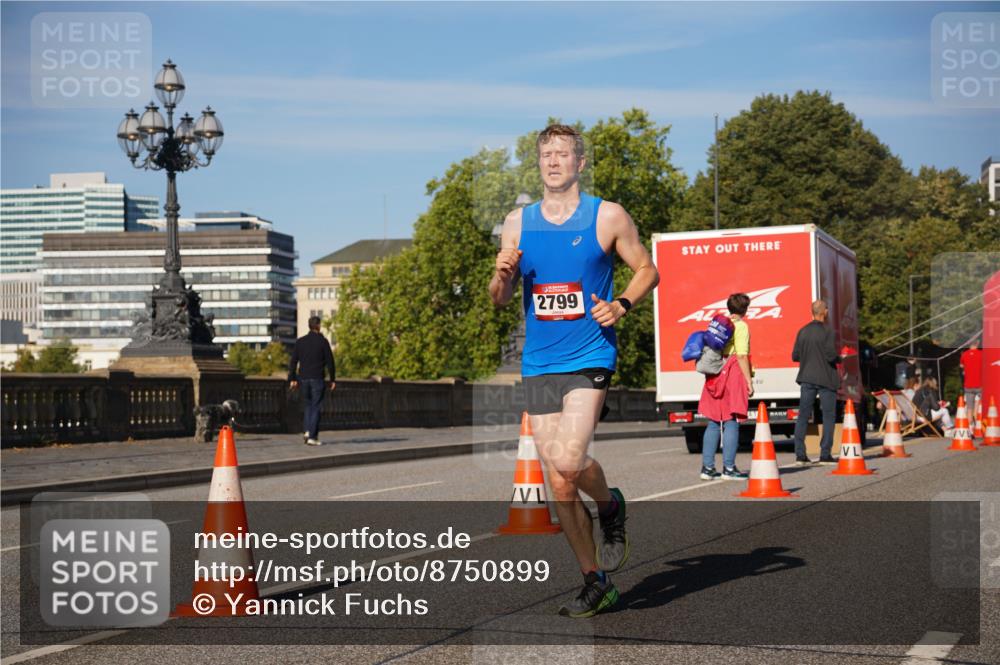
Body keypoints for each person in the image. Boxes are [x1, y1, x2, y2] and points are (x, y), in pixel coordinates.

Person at [488, 124, 659, 618]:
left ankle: (609, 504)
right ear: (538, 163)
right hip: (539, 363)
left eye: (563, 154)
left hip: (589, 355)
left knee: (567, 460)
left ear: (580, 163)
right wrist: (501, 278)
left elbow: (647, 268)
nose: (554, 161)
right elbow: (499, 301)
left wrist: (623, 304)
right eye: (546, 155)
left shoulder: (607, 216)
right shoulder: (517, 223)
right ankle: (594, 579)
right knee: (558, 483)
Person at [697, 294, 753, 480]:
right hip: (732, 371)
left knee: (714, 421)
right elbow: (742, 355)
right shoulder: (741, 326)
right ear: (745, 310)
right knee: (731, 421)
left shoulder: (720, 324)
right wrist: (749, 382)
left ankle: (707, 468)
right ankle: (729, 468)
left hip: (714, 371)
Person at [791, 300, 843, 466]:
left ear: (812, 312)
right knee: (828, 416)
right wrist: (840, 358)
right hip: (826, 379)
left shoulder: (802, 331)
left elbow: (795, 356)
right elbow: (830, 355)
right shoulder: (828, 332)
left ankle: (800, 454)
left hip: (806, 377)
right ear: (824, 312)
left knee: (803, 416)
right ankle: (825, 454)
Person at [288, 316, 336, 446]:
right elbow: (330, 362)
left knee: (308, 405)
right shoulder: (323, 342)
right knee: (316, 407)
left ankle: (307, 431)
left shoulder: (300, 341)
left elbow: (293, 362)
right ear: (318, 326)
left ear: (309, 326)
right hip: (317, 379)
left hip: (303, 378)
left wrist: (292, 378)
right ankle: (312, 437)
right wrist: (332, 379)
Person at [960, 339, 982, 428]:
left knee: (969, 407)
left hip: (968, 385)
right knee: (978, 404)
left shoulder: (964, 355)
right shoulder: (982, 354)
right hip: (980, 384)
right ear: (978, 343)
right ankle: (978, 425)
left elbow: (961, 366)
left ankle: (970, 427)